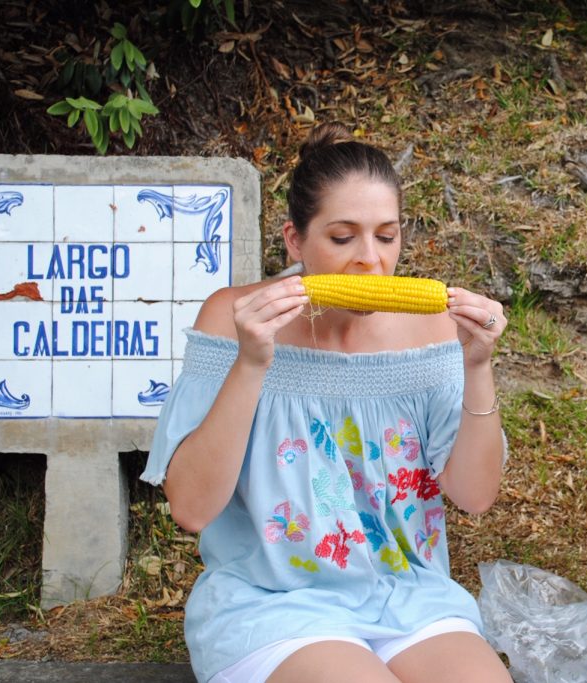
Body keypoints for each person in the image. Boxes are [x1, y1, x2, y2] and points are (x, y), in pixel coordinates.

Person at [141, 122, 513, 683]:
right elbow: (191, 509)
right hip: (275, 605)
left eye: (387, 237)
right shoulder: (231, 316)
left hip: (410, 596)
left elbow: (475, 496)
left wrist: (478, 366)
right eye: (343, 238)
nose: (370, 260)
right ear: (296, 240)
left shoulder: (432, 328)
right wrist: (251, 364)